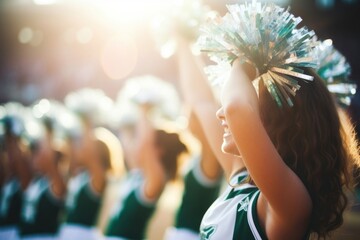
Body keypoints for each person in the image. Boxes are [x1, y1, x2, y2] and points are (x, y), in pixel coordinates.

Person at [195, 1, 360, 239]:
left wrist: (245, 52)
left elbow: (236, 108)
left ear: (278, 120)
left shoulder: (292, 202)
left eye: (253, 100)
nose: (221, 113)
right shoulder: (241, 177)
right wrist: (181, 39)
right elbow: (202, 104)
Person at [104, 102, 188, 240]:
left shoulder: (156, 180)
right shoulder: (138, 174)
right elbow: (132, 145)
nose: (138, 144)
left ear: (158, 151)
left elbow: (145, 144)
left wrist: (144, 110)